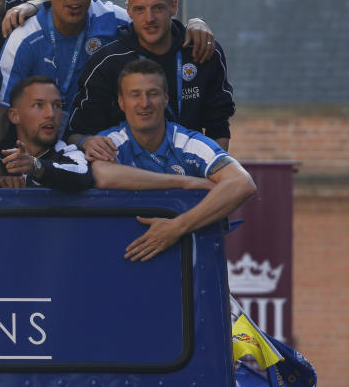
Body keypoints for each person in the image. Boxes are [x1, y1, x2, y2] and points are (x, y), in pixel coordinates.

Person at [0, 0, 215, 183]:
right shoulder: (25, 37)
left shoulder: (114, 19)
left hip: (91, 152)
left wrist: (195, 25)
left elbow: (154, 19)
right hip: (36, 151)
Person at [66, 0, 235, 160]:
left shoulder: (203, 50)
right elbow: (77, 133)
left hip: (191, 170)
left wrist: (212, 169)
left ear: (174, 7)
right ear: (128, 11)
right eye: (139, 9)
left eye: (158, 8)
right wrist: (85, 141)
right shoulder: (108, 62)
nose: (149, 18)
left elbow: (219, 126)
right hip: (130, 175)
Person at [97, 59, 256, 261]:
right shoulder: (111, 142)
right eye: (135, 94)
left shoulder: (188, 143)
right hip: (120, 259)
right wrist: (185, 181)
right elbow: (102, 175)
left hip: (189, 270)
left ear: (165, 98)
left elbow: (243, 183)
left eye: (152, 94)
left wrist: (174, 228)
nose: (144, 103)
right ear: (121, 102)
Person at [0, 75, 216, 195]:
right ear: (14, 116)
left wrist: (35, 167)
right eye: (39, 106)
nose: (51, 114)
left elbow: (82, 176)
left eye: (58, 106)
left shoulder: (71, 153)